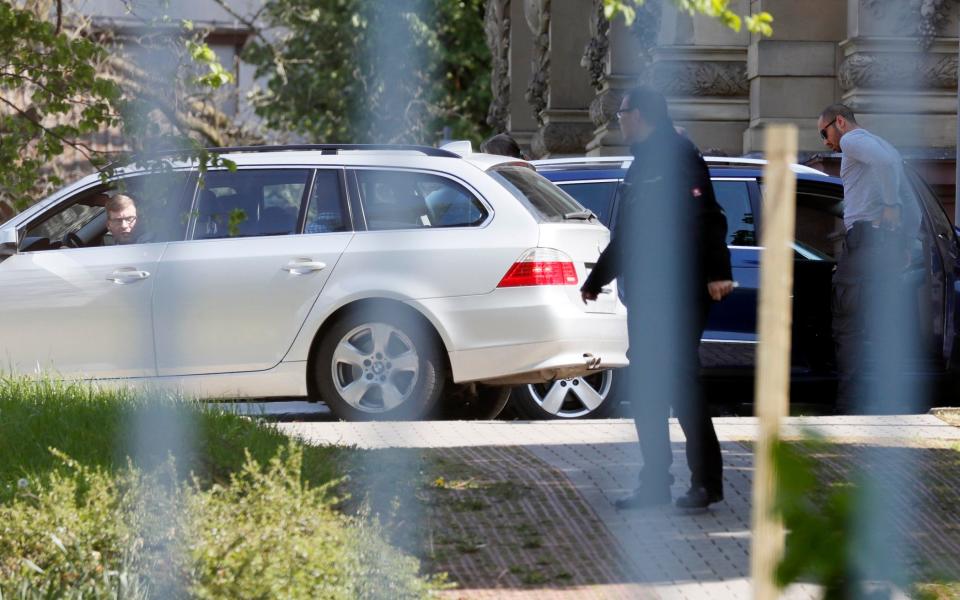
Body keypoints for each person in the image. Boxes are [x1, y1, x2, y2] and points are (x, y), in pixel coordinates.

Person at [581, 86, 734, 510]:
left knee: (682, 384)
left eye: (622, 114)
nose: (619, 122)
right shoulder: (641, 163)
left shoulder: (679, 155)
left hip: (682, 290)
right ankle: (654, 484)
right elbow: (628, 233)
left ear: (642, 114)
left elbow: (709, 217)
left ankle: (706, 483)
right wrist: (597, 279)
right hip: (647, 295)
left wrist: (719, 272)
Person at [816, 104, 919, 412]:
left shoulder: (852, 140)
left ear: (840, 122)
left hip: (865, 244)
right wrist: (905, 244)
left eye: (825, 132)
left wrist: (889, 205)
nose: (826, 142)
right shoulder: (883, 145)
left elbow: (890, 177)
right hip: (887, 246)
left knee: (848, 323)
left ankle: (848, 408)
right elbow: (910, 203)